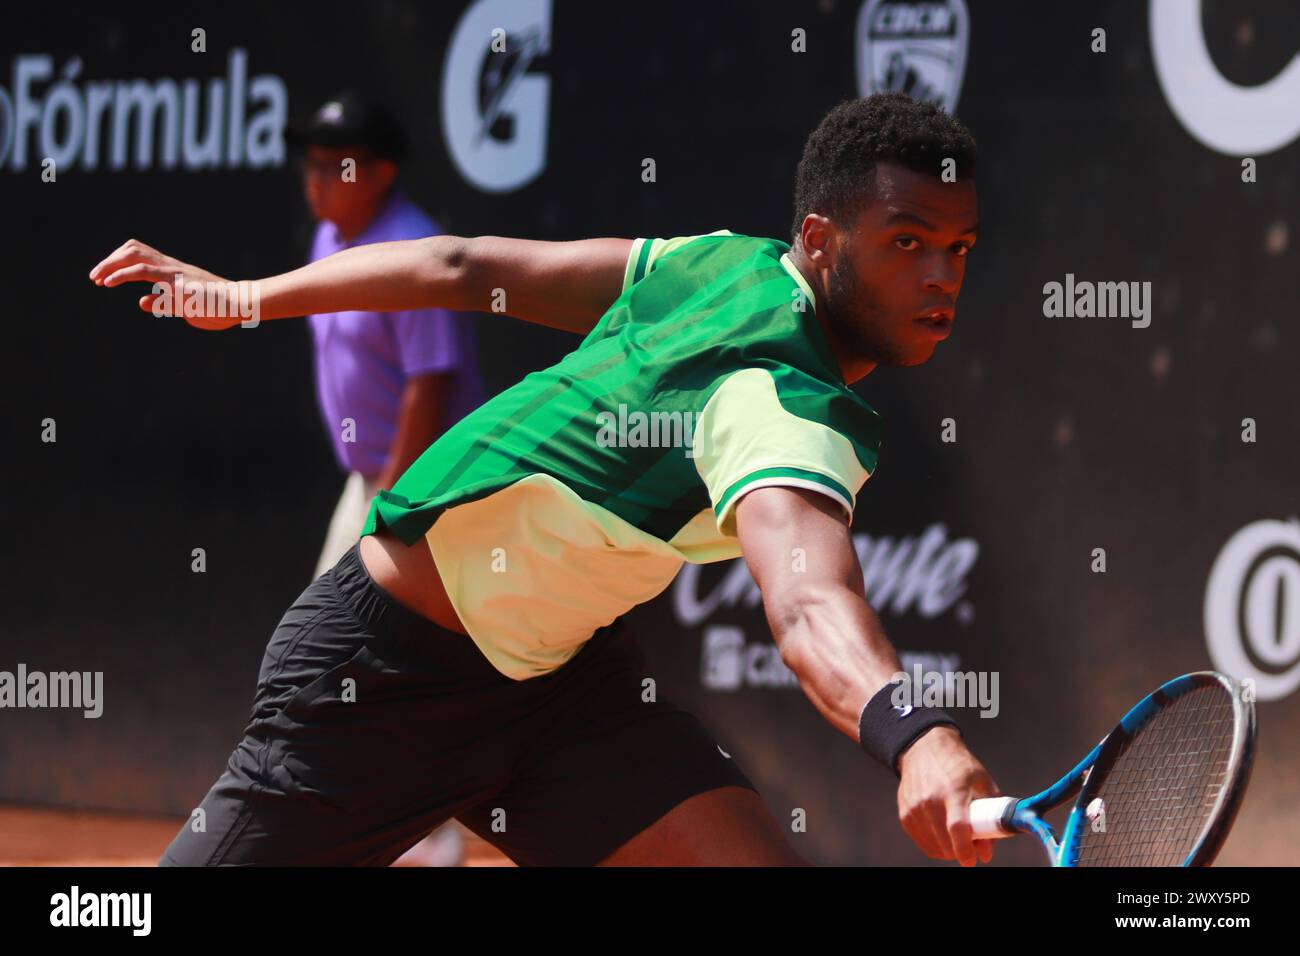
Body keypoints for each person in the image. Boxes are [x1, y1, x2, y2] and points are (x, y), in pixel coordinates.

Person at [92, 92, 1000, 866]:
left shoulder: (722, 262)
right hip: (378, 681)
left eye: (957, 249)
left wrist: (246, 297)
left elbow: (463, 265)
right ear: (821, 239)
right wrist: (916, 733)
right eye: (908, 241)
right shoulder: (783, 400)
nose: (939, 277)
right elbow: (806, 606)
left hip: (562, 694)